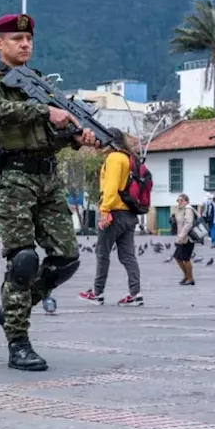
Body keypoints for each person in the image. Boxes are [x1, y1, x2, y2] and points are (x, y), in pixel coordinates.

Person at [0, 13, 96, 371]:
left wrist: (74, 136)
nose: (24, 44)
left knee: (66, 259)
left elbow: (48, 135)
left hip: (48, 178)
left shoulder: (38, 82)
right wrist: (46, 110)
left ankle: (13, 309)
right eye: (15, 39)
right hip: (11, 178)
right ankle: (18, 342)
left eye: (28, 40)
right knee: (23, 260)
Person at [80, 129, 143, 306]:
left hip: (114, 212)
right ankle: (135, 293)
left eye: (101, 140)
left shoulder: (114, 158)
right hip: (130, 213)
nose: (98, 144)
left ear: (110, 141)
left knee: (102, 253)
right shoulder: (130, 158)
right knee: (128, 255)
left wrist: (104, 211)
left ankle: (97, 292)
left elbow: (111, 188)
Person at [171, 193, 197, 286]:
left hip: (187, 239)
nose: (179, 202)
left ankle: (190, 278)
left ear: (186, 201)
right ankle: (187, 276)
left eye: (181, 200)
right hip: (182, 238)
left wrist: (181, 236)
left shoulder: (188, 209)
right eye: (178, 200)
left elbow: (188, 224)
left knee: (186, 258)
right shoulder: (181, 210)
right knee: (177, 257)